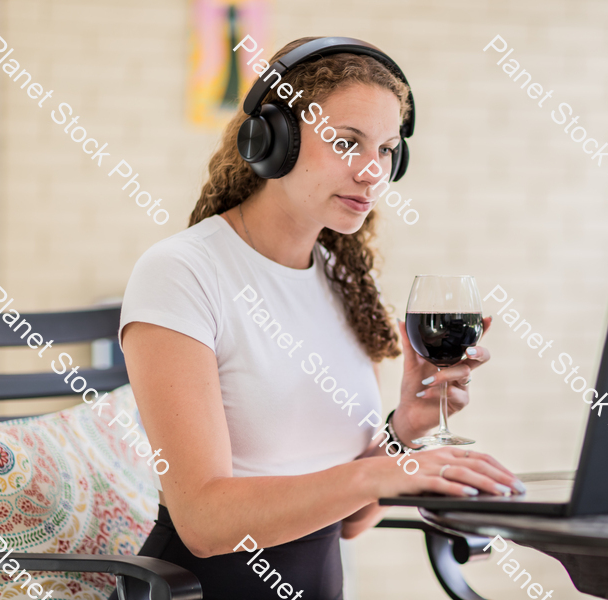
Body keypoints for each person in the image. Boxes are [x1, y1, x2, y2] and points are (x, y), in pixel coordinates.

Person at [117, 36, 523, 600]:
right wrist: (380, 473)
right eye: (346, 142)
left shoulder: (342, 278)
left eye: (385, 150)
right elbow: (204, 524)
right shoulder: (182, 272)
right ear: (273, 140)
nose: (371, 172)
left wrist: (405, 430)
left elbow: (351, 522)